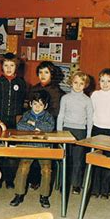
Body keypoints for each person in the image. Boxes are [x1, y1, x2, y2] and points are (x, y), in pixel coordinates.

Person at [10, 90, 55, 208]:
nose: (37, 107)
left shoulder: (48, 116)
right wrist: (37, 126)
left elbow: (49, 127)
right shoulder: (26, 115)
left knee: (46, 169)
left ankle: (44, 196)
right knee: (23, 167)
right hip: (28, 145)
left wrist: (33, 123)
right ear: (30, 104)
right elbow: (20, 126)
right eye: (35, 104)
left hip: (44, 148)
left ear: (45, 106)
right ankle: (18, 194)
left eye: (40, 104)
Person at [0, 53, 27, 188]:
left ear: (16, 67)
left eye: (12, 65)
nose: (9, 68)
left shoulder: (21, 83)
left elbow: (23, 103)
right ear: (2, 67)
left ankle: (9, 178)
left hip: (14, 123)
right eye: (6, 65)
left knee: (11, 152)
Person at [26, 61, 64, 190]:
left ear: (52, 75)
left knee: (45, 157)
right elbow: (28, 106)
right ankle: (33, 180)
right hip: (32, 126)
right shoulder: (34, 88)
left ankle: (44, 182)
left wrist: (41, 122)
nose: (43, 75)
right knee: (32, 153)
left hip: (48, 126)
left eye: (46, 72)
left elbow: (55, 111)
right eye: (40, 72)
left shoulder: (56, 91)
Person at [57, 71, 93, 195]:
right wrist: (59, 132)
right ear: (71, 83)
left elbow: (90, 118)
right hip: (66, 130)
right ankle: (63, 183)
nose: (78, 86)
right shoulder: (65, 98)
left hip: (80, 131)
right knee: (65, 158)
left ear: (85, 85)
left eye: (81, 83)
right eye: (75, 82)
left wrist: (88, 135)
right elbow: (61, 115)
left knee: (78, 160)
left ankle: (76, 184)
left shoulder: (87, 100)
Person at [90, 68, 110, 199]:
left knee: (108, 161)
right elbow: (91, 112)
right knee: (96, 159)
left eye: (108, 81)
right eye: (102, 81)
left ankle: (105, 190)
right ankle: (94, 189)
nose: (105, 84)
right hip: (97, 129)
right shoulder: (95, 95)